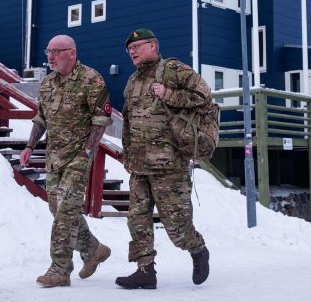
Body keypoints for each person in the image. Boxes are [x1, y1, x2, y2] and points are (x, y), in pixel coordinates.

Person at [115, 29, 210, 290]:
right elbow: (128, 121)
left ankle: (197, 249)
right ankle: (145, 271)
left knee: (176, 226)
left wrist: (168, 94)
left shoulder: (172, 69)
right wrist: (127, 153)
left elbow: (203, 94)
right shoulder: (132, 80)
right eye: (129, 49)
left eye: (137, 46)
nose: (132, 51)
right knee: (137, 219)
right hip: (138, 165)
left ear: (153, 45)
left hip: (169, 164)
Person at [20, 34, 113, 287]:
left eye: (56, 52)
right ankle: (93, 249)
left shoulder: (91, 79)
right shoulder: (48, 82)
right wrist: (29, 145)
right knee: (57, 208)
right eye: (48, 51)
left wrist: (88, 151)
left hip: (78, 157)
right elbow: (41, 117)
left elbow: (101, 119)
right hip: (54, 157)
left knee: (64, 212)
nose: (50, 57)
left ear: (72, 53)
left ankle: (60, 269)